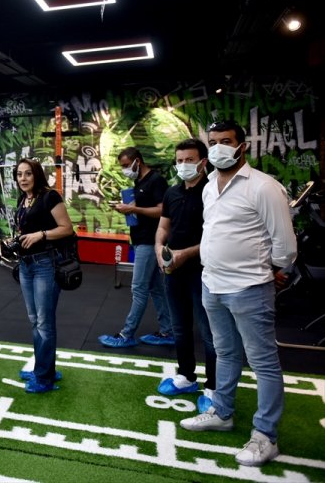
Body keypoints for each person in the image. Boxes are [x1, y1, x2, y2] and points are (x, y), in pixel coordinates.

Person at [180, 121, 297, 467]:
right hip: (212, 284)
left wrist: (272, 270)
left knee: (264, 363)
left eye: (226, 141)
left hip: (249, 288)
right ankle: (222, 412)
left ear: (241, 146)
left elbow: (285, 244)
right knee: (225, 352)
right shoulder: (208, 187)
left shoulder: (263, 186)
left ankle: (265, 436)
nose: (218, 147)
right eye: (213, 142)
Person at [154, 139, 217, 398]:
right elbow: (163, 226)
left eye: (189, 160)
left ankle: (213, 387)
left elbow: (217, 237)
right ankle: (186, 376)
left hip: (204, 271)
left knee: (210, 332)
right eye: (179, 160)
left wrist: (185, 254)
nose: (183, 165)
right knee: (179, 327)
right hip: (174, 271)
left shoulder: (213, 192)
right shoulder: (172, 192)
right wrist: (159, 248)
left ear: (203, 162)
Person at [99, 147, 174, 348]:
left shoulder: (156, 180)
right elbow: (144, 209)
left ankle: (126, 334)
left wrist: (132, 208)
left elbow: (162, 211)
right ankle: (168, 331)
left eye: (126, 165)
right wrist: (127, 208)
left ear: (137, 161)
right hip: (141, 238)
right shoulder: (139, 181)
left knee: (139, 289)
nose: (125, 169)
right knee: (156, 289)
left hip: (149, 241)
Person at [12, 158, 75, 393]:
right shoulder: (23, 199)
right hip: (26, 265)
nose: (23, 178)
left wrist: (42, 235)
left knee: (44, 322)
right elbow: (26, 230)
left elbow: (67, 228)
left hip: (46, 265)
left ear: (36, 174)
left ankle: (44, 377)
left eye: (28, 173)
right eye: (19, 174)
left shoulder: (50, 196)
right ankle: (44, 368)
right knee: (35, 320)